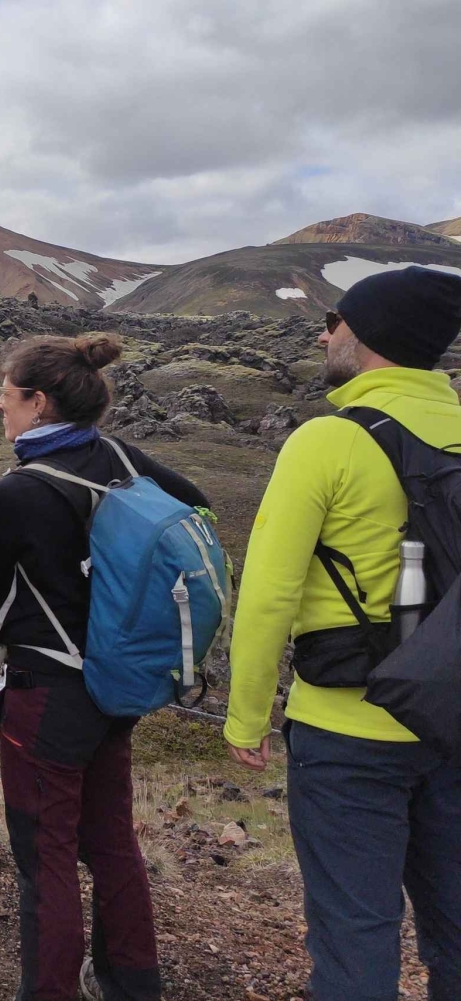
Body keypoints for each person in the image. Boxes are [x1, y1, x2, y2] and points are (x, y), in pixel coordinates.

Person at [226, 266, 461, 1001]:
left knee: (356, 928)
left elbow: (268, 593)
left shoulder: (326, 440)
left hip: (347, 725)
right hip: (454, 719)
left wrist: (246, 713)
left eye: (336, 321)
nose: (325, 333)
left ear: (365, 337)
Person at [0, 333, 209, 1001]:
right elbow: (194, 501)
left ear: (38, 402)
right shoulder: (120, 455)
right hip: (116, 686)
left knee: (45, 858)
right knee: (111, 843)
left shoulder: (20, 490)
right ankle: (134, 984)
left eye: (6, 395)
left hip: (47, 693)